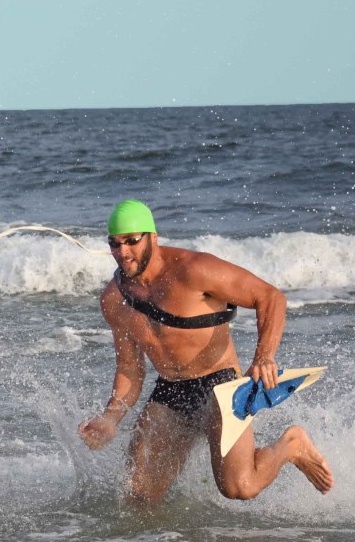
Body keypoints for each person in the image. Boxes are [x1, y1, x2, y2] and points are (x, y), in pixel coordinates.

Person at [78, 199, 333, 506]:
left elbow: (270, 297)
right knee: (138, 499)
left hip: (219, 386)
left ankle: (291, 445)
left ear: (152, 237)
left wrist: (264, 356)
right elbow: (130, 369)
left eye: (132, 241)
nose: (123, 252)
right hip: (171, 391)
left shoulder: (193, 270)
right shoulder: (113, 300)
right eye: (115, 244)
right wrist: (110, 418)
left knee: (240, 487)